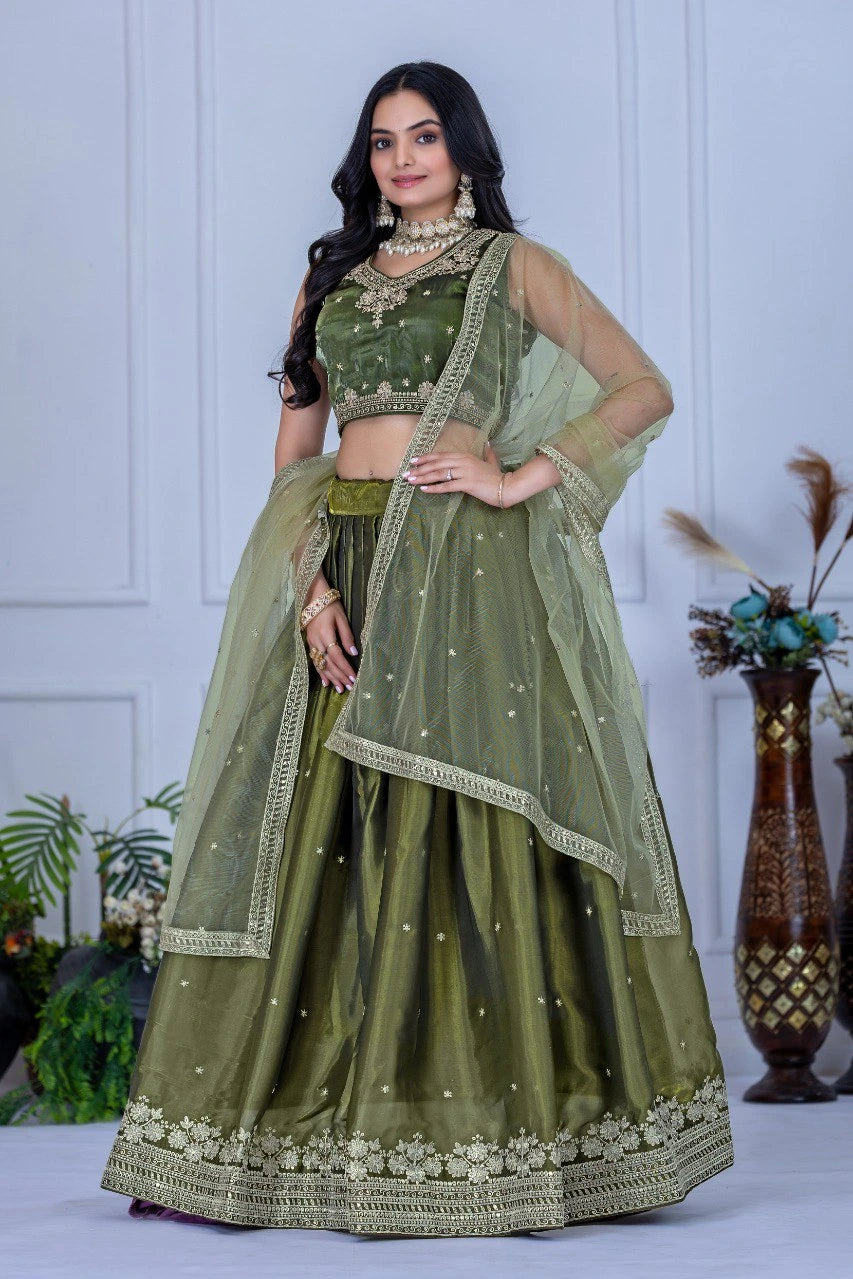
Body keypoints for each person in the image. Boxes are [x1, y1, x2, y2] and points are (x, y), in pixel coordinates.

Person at [100, 60, 734, 1237]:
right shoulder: (328, 274)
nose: (401, 159)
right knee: (314, 834)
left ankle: (493, 1144)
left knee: (463, 830)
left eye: (424, 136)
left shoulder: (512, 264)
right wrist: (306, 593)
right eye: (383, 140)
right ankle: (250, 1144)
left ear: (464, 148)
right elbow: (293, 456)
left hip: (463, 573)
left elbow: (639, 388)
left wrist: (517, 476)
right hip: (343, 560)